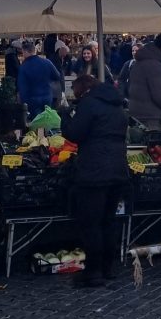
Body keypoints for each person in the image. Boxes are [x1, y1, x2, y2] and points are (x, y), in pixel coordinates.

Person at [62, 73, 130, 288]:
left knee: (91, 224)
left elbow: (74, 133)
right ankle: (108, 268)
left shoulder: (89, 104)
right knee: (108, 222)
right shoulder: (116, 104)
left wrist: (65, 116)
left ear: (83, 90)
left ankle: (93, 272)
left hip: (93, 172)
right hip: (117, 170)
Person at [17, 40, 62, 119]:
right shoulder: (47, 62)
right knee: (46, 120)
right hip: (47, 97)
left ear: (24, 52)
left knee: (35, 123)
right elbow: (57, 76)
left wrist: (22, 103)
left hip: (32, 100)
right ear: (35, 50)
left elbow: (22, 87)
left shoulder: (23, 67)